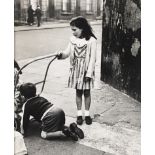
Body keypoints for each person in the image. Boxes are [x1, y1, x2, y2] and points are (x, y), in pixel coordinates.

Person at [57, 16, 97, 125]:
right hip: (76, 69)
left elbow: (93, 59)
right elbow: (67, 53)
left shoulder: (92, 41)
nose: (73, 32)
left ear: (82, 28)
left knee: (87, 92)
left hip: (86, 70)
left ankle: (87, 114)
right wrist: (61, 55)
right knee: (78, 92)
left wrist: (89, 73)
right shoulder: (72, 40)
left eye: (75, 30)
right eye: (72, 30)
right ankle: (79, 114)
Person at [19, 82, 84, 141]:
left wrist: (23, 132)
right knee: (58, 126)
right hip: (58, 110)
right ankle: (72, 127)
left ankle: (64, 132)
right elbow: (41, 109)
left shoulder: (26, 105)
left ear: (23, 96)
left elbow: (24, 120)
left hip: (50, 115)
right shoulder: (40, 98)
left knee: (44, 134)